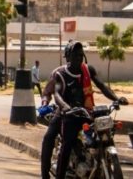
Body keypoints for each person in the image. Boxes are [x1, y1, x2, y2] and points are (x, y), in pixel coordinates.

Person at [39, 41, 127, 179]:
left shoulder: (88, 70)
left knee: (103, 135)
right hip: (67, 114)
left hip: (87, 113)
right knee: (55, 140)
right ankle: (48, 175)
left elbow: (102, 86)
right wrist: (65, 107)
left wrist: (116, 98)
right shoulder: (60, 74)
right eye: (75, 55)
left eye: (81, 55)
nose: (79, 58)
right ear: (68, 57)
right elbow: (55, 94)